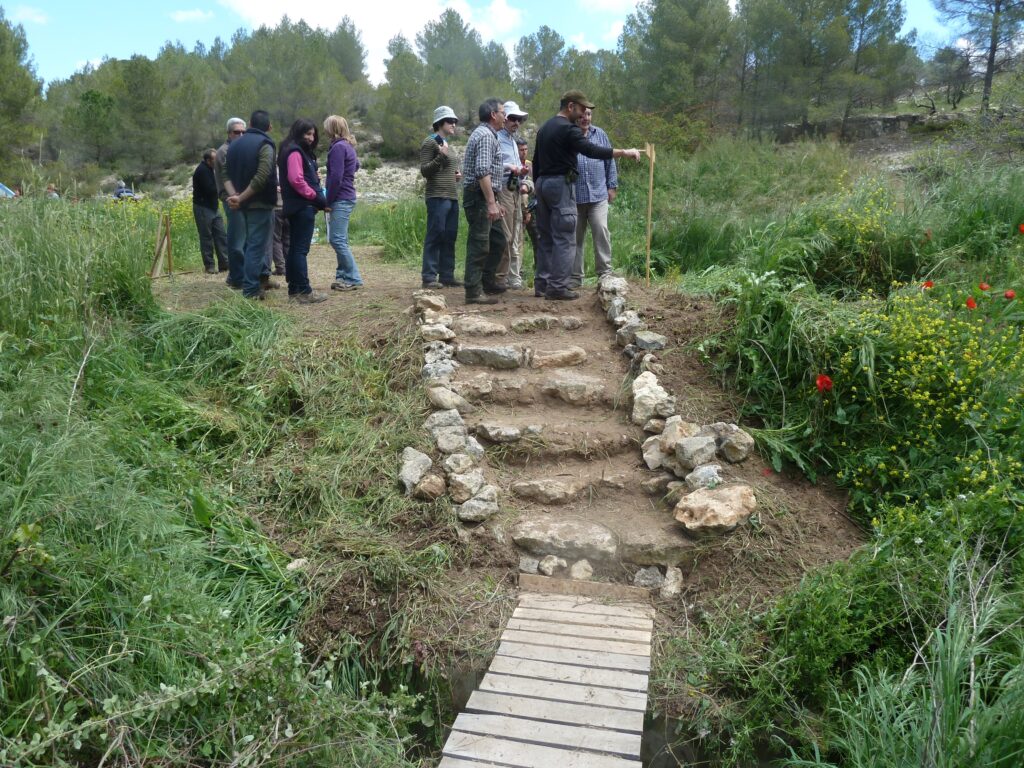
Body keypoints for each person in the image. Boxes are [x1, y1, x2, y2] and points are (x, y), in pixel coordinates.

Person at [532, 91, 640, 300]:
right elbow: (591, 150)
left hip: (542, 184)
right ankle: (558, 287)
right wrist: (623, 152)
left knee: (545, 236)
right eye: (582, 109)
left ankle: (542, 284)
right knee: (565, 236)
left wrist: (538, 185)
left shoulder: (545, 127)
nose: (583, 115)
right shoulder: (568, 129)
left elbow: (536, 160)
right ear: (571, 106)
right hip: (560, 185)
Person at [226, 109, 279, 300]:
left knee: (248, 245)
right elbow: (262, 176)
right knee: (256, 246)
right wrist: (241, 197)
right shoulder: (265, 144)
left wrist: (235, 196)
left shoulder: (234, 145)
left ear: (249, 124)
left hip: (241, 203)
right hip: (259, 203)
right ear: (269, 127)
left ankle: (250, 284)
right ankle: (251, 290)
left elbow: (225, 172)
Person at [460, 98, 507, 305]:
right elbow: (482, 171)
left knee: (498, 240)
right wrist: (490, 202)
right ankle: (473, 291)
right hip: (479, 198)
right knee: (479, 243)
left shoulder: (487, 134)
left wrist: (495, 200)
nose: (505, 116)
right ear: (493, 114)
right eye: (503, 112)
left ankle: (487, 282)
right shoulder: (486, 136)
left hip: (485, 197)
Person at [277, 118, 328, 304]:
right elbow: (296, 180)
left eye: (313, 134)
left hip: (297, 206)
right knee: (300, 250)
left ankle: (294, 290)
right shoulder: (294, 152)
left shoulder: (292, 151)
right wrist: (316, 197)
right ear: (298, 133)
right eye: (307, 134)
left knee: (294, 249)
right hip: (302, 207)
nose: (311, 138)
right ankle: (304, 291)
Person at [572, 107, 618, 288]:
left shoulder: (600, 135)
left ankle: (604, 273)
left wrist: (612, 186)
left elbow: (609, 160)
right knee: (575, 237)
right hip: (575, 196)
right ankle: (575, 277)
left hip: (598, 194)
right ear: (576, 116)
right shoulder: (570, 135)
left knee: (601, 229)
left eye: (589, 115)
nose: (585, 118)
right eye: (582, 115)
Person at [419, 105, 462, 289]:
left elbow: (444, 169)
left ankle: (446, 275)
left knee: (450, 236)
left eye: (455, 121)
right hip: (437, 196)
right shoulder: (430, 142)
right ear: (440, 123)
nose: (454, 124)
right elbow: (425, 171)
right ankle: (429, 277)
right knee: (435, 235)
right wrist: (441, 157)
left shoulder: (446, 144)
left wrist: (455, 175)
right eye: (450, 121)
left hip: (452, 197)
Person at [323, 115, 363, 292]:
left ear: (332, 128)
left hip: (340, 198)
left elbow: (336, 177)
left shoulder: (338, 147)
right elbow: (357, 165)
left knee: (336, 239)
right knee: (342, 239)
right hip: (347, 196)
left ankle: (353, 278)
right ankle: (342, 276)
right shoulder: (348, 146)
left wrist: (328, 200)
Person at [496, 100, 530, 290]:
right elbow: (492, 166)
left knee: (514, 235)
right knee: (506, 235)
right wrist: (511, 167)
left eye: (519, 119)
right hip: (503, 189)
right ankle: (499, 278)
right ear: (504, 119)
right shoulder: (497, 138)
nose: (516, 123)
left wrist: (522, 172)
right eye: (513, 119)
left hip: (515, 189)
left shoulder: (512, 139)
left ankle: (507, 276)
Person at [214, 117, 247, 289]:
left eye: (243, 132)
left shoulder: (238, 150)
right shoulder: (224, 152)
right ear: (229, 133)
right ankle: (237, 278)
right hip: (232, 200)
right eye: (236, 132)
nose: (240, 135)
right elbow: (230, 180)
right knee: (237, 242)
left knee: (244, 240)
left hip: (242, 200)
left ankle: (236, 276)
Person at [191, 149, 229, 274]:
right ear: (208, 160)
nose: (217, 161)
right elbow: (210, 189)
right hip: (203, 207)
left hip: (213, 207)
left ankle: (225, 263)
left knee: (221, 235)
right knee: (206, 237)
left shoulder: (212, 169)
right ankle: (210, 266)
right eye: (215, 159)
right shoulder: (202, 171)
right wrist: (225, 185)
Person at [517, 137, 539, 267]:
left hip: (532, 207)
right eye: (521, 150)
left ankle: (539, 268)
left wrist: (536, 200)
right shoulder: (513, 164)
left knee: (538, 238)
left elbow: (538, 183)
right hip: (517, 205)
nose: (523, 152)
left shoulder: (531, 165)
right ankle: (517, 270)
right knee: (518, 239)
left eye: (525, 149)